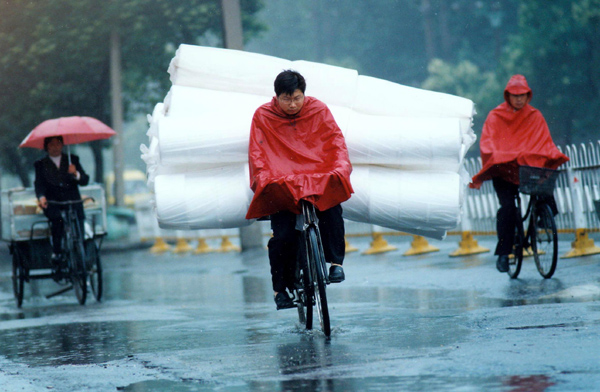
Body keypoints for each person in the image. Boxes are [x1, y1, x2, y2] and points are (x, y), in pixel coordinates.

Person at [246, 70, 354, 310]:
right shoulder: (263, 116)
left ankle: (336, 264)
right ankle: (280, 290)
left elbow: (335, 142)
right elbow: (258, 153)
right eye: (287, 99)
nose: (293, 104)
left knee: (332, 210)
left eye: (297, 98)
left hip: (316, 175)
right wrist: (264, 178)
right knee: (282, 236)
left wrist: (339, 167)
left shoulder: (318, 110)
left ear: (304, 94)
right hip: (281, 181)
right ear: (276, 97)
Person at [470, 75, 568, 273]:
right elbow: (488, 145)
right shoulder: (496, 116)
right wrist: (504, 156)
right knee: (507, 208)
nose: (519, 99)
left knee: (545, 189)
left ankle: (543, 219)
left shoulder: (534, 116)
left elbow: (544, 142)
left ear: (528, 95)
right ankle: (504, 254)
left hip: (527, 169)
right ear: (507, 95)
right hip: (504, 171)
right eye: (514, 95)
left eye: (522, 95)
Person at [35, 136, 90, 267]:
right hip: (53, 202)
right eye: (52, 145)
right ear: (47, 147)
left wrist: (75, 173)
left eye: (58, 144)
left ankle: (81, 249)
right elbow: (39, 184)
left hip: (72, 200)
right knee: (57, 221)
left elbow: (85, 180)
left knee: (79, 218)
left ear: (62, 145)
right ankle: (57, 252)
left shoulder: (73, 160)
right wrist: (41, 197)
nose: (55, 147)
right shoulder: (41, 164)